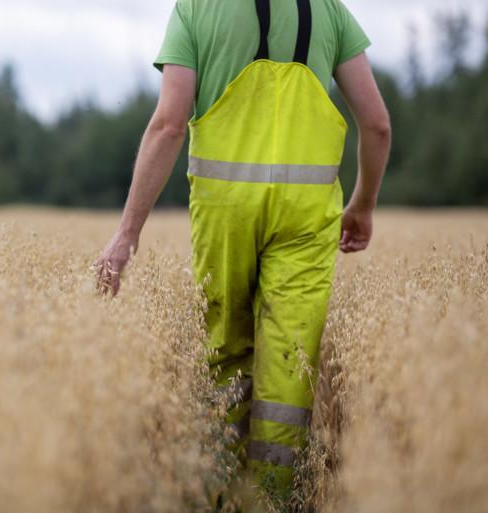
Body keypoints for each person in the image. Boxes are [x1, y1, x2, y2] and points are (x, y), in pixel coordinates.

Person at [94, 0, 391, 500]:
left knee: (228, 355)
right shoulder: (328, 11)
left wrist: (127, 233)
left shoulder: (194, 9)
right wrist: (361, 206)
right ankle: (271, 499)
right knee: (288, 365)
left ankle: (225, 495)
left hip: (223, 210)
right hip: (306, 215)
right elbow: (377, 124)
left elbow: (168, 124)